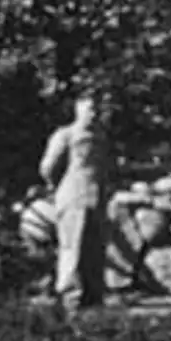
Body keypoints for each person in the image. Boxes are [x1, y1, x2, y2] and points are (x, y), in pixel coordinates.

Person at [37, 89, 111, 313]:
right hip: (72, 197)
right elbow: (48, 167)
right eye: (90, 108)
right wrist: (59, 187)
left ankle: (93, 297)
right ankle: (71, 296)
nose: (94, 114)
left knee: (95, 249)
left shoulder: (101, 138)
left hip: (96, 199)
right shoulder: (66, 135)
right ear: (78, 109)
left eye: (97, 109)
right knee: (73, 248)